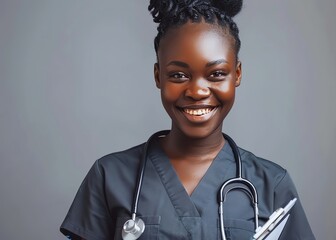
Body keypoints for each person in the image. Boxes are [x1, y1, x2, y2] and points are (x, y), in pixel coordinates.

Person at [60, 0, 315, 239]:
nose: (197, 91)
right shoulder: (110, 177)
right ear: (158, 75)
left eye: (216, 73)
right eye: (179, 75)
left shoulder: (272, 184)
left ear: (236, 74)